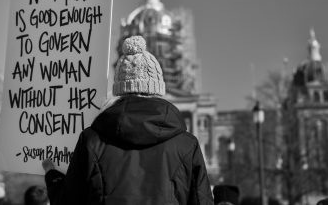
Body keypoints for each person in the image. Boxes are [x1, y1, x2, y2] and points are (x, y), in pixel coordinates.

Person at [42, 35, 213, 204]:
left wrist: (53, 178)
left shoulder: (91, 139)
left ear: (120, 89)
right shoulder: (187, 144)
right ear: (157, 88)